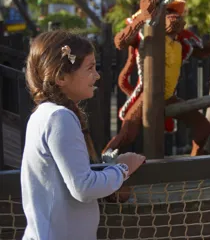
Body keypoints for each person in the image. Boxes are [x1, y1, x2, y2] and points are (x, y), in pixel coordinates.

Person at [21, 30, 146, 240]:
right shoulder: (59, 117)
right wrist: (122, 169)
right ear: (61, 76)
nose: (97, 75)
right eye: (90, 68)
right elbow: (84, 187)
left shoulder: (43, 114)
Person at [103, 0, 210, 156]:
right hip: (147, 95)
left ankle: (196, 161)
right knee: (127, 135)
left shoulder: (182, 40)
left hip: (168, 96)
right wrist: (143, 16)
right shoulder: (146, 35)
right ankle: (102, 165)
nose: (172, 16)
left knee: (203, 128)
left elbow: (204, 51)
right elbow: (119, 42)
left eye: (174, 12)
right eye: (167, 12)